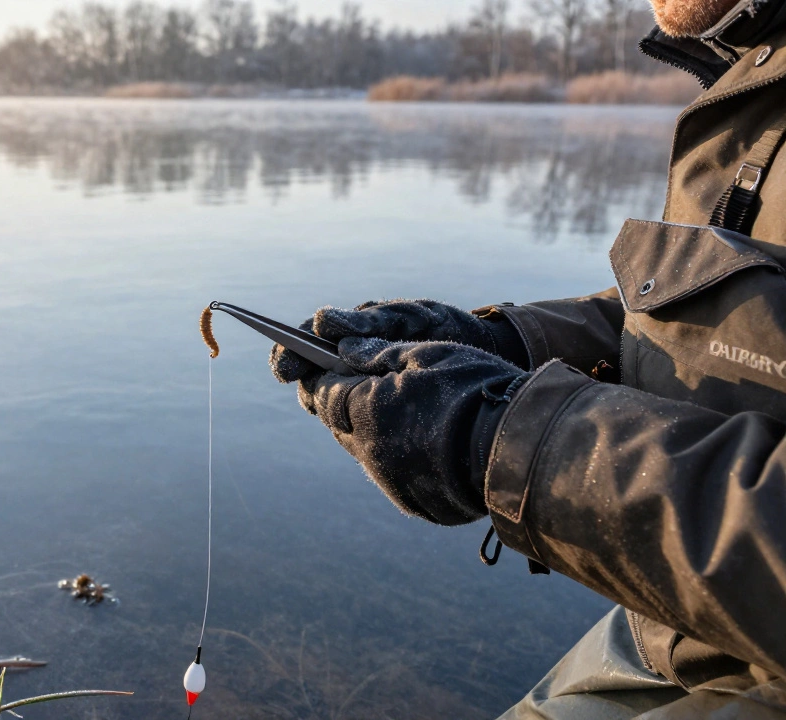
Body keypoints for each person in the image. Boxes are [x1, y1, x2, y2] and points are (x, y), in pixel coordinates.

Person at [270, 0, 786, 716]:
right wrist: (505, 346)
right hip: (688, 623)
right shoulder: (758, 72)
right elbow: (731, 327)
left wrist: (496, 436)